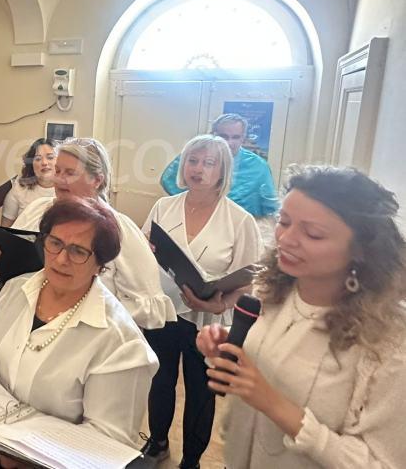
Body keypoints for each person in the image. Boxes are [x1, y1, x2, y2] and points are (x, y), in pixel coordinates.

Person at [197, 166, 406, 468]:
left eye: (313, 234)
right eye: (284, 222)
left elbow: (381, 463)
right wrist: (230, 343)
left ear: (362, 250)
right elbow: (281, 354)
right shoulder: (274, 290)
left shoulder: (389, 341)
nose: (286, 239)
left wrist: (274, 404)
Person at [0, 198, 159, 467]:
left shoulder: (121, 343)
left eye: (78, 251)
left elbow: (106, 445)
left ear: (101, 264)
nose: (61, 258)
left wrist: (23, 456)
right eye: (55, 243)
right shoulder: (16, 289)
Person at [140, 135, 263, 469]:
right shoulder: (163, 207)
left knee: (200, 392)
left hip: (207, 321)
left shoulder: (239, 220)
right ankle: (158, 441)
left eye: (209, 163)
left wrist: (218, 306)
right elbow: (143, 253)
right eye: (193, 160)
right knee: (160, 380)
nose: (199, 169)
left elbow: (248, 281)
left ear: (222, 171)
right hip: (164, 311)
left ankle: (192, 459)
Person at [0, 137, 175, 330]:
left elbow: (151, 312)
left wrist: (81, 307)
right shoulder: (36, 211)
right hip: (22, 327)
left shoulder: (120, 230)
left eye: (70, 173)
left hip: (85, 339)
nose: (59, 179)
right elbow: (10, 273)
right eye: (58, 171)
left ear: (97, 179)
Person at [160, 113, 278, 219]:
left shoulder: (258, 167)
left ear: (243, 138)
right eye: (224, 136)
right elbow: (167, 180)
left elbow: (271, 207)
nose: (229, 142)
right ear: (213, 134)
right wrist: (192, 200)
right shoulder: (195, 155)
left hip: (237, 227)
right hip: (195, 218)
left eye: (235, 137)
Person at [0, 138, 57, 227]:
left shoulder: (68, 190)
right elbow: (5, 228)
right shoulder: (19, 188)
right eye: (38, 159)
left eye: (50, 157)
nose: (44, 163)